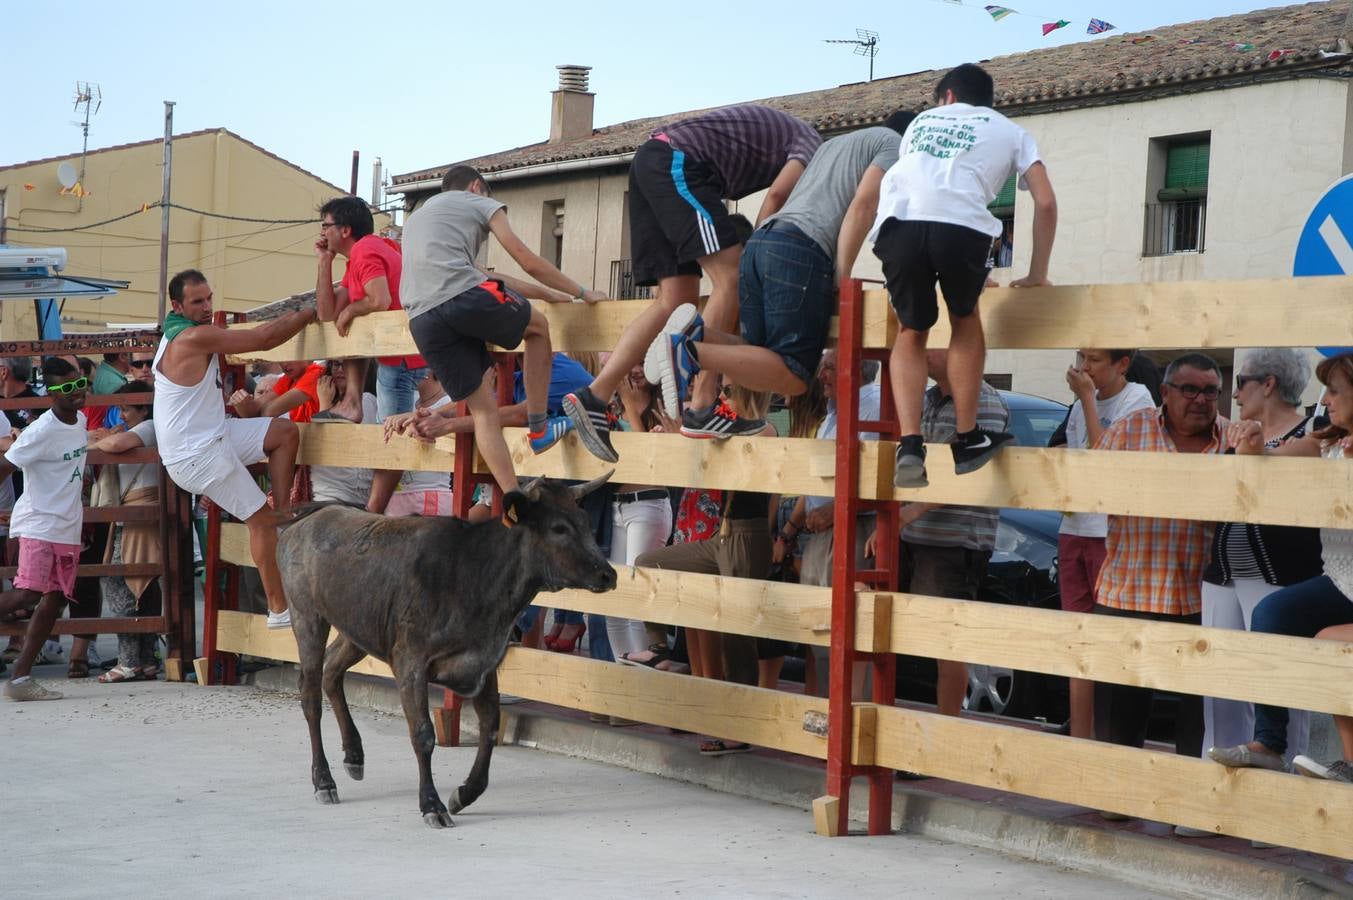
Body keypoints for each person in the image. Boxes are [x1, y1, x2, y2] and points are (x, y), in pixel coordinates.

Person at [564, 104, 821, 460]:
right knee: (731, 275)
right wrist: (764, 257)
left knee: (675, 299)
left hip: (655, 161)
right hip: (678, 162)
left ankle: (595, 395)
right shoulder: (814, 145)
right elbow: (776, 197)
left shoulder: (791, 135)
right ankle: (701, 405)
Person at [644, 111, 915, 434]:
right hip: (801, 249)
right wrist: (841, 277)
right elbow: (862, 208)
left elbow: (777, 195)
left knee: (759, 357)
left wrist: (756, 258)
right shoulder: (896, 146)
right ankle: (688, 350)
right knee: (795, 376)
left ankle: (696, 335)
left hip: (763, 242)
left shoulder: (832, 146)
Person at [870, 63, 1057, 488]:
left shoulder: (920, 122)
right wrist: (1035, 273)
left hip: (897, 225)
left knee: (911, 331)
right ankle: (968, 436)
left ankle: (910, 444)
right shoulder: (1011, 130)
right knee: (964, 319)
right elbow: (1045, 203)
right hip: (962, 227)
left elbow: (917, 186)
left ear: (948, 98)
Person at [398, 165, 603, 495]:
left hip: (421, 318)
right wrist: (582, 292)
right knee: (538, 327)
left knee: (483, 413)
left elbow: (492, 278)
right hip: (461, 297)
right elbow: (526, 260)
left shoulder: (420, 219)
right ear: (477, 187)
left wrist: (548, 293)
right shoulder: (479, 202)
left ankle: (511, 496)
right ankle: (539, 429)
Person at [1209, 352, 1353, 782]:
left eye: (1334, 391)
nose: (1324, 400)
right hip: (1341, 578)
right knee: (1273, 613)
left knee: (1328, 642)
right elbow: (1272, 466)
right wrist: (1251, 446)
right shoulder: (1325, 440)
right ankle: (1270, 744)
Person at [153, 269, 316, 630]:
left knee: (284, 432)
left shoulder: (176, 332)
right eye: (198, 301)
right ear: (178, 305)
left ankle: (284, 511)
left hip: (213, 437)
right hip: (198, 454)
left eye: (209, 297)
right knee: (261, 523)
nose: (207, 306)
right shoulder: (192, 337)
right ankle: (279, 610)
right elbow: (264, 337)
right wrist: (310, 310)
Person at [1092, 353, 1229, 771]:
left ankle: (1189, 805)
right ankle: (1117, 799)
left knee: (1198, 719)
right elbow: (1092, 487)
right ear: (1165, 393)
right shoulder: (1129, 430)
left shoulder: (1233, 442)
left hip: (1200, 601)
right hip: (1127, 591)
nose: (1201, 400)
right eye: (1190, 389)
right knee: (1118, 714)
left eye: (1211, 391)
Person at [878, 349, 1008, 719]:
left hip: (954, 541)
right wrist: (900, 519)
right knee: (898, 631)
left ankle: (943, 736)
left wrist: (902, 517)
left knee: (945, 641)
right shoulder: (929, 397)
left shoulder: (984, 402)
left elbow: (967, 473)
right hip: (918, 535)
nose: (918, 348)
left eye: (928, 341)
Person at [1055, 349, 1155, 739]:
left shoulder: (1137, 399)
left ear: (1122, 364)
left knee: (1109, 642)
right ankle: (1080, 743)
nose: (1083, 367)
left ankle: (1109, 742)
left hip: (1110, 533)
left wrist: (1086, 399)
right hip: (1074, 527)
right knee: (1077, 640)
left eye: (1094, 359)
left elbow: (1106, 460)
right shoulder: (1083, 404)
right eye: (1080, 356)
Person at [315, 194, 420, 498]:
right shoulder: (360, 255)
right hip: (392, 358)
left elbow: (380, 300)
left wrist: (351, 310)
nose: (323, 233)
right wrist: (324, 262)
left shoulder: (366, 249)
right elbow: (326, 314)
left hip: (400, 358)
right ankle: (352, 401)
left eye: (326, 226)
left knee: (390, 441)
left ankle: (375, 513)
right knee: (388, 439)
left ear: (345, 229)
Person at [0, 359, 91, 701]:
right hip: (40, 522)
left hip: (67, 526)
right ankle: (21, 678)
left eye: (78, 383)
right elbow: (6, 466)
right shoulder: (41, 431)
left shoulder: (80, 420)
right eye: (66, 388)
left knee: (54, 601)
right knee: (27, 595)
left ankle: (21, 679)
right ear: (52, 393)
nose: (76, 392)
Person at [89, 382, 163, 683]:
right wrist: (105, 439)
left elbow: (114, 445)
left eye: (126, 408)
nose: (121, 414)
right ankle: (144, 659)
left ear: (143, 408)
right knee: (140, 586)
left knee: (122, 583)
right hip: (136, 511)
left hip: (139, 511)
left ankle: (129, 660)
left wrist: (102, 441)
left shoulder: (149, 426)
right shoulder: (147, 427)